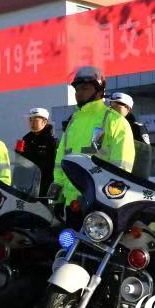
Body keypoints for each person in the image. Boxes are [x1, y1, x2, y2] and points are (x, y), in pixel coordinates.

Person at [52, 66, 134, 227]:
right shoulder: (73, 121)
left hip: (101, 205)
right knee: (69, 242)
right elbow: (60, 161)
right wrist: (59, 196)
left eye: (84, 88)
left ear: (99, 91)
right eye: (77, 88)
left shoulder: (115, 121)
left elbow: (122, 168)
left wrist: (111, 199)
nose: (78, 93)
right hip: (72, 204)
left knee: (98, 244)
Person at [20, 107, 58, 197]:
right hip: (27, 186)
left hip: (45, 186)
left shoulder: (52, 141)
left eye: (35, 120)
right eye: (30, 120)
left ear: (44, 122)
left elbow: (53, 166)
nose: (32, 123)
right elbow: (17, 159)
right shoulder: (24, 139)